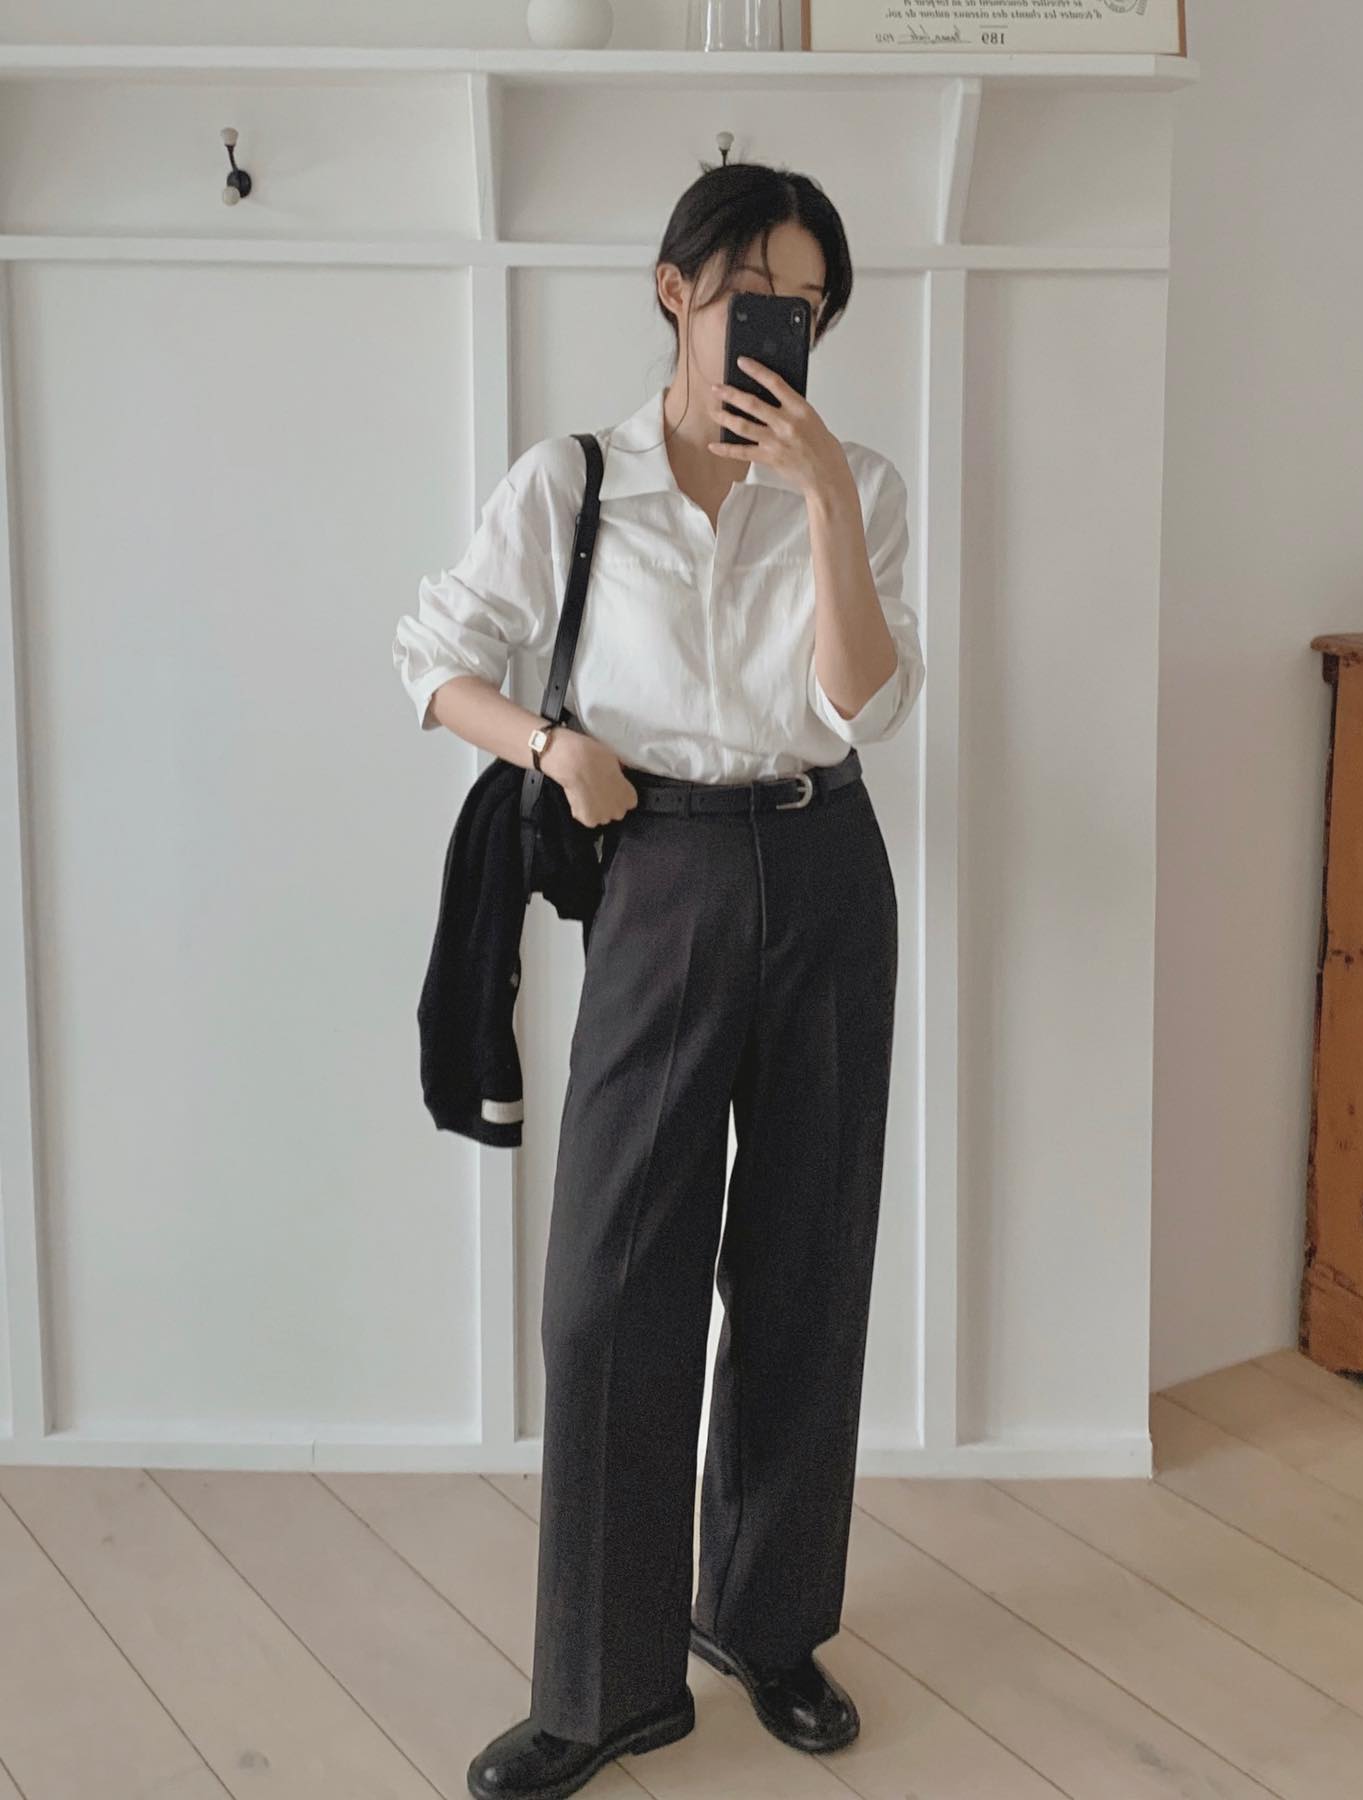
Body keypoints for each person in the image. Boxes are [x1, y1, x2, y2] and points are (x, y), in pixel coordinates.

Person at [393, 159, 925, 1800]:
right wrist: (552, 745)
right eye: (754, 294)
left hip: (827, 868)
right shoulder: (571, 482)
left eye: (809, 307)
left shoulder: (862, 483)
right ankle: (604, 1686)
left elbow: (864, 704)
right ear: (675, 289)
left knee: (806, 1260)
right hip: (660, 870)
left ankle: (765, 1621)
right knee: (612, 1281)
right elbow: (431, 657)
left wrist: (823, 500)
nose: (779, 326)